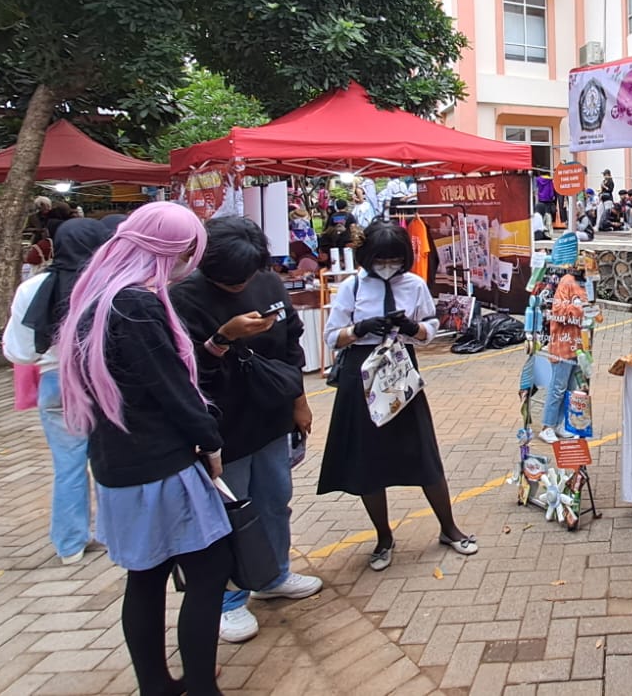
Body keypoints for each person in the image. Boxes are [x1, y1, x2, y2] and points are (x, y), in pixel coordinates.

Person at [56, 202, 230, 696]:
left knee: (147, 575)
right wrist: (210, 440)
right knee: (209, 571)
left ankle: (156, 683)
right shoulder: (134, 304)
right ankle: (201, 686)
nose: (186, 266)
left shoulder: (94, 297)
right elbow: (170, 388)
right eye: (185, 255)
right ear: (165, 251)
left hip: (118, 463)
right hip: (160, 466)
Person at [173, 217, 323, 644]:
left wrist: (299, 401)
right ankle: (228, 600)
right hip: (223, 427)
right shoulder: (182, 299)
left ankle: (273, 575)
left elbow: (291, 344)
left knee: (275, 501)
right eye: (231, 279)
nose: (240, 285)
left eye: (246, 276)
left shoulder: (268, 282)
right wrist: (222, 338)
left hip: (270, 417)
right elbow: (186, 374)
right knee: (230, 515)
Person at [317, 221, 477, 570]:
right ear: (366, 257)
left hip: (400, 371)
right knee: (368, 459)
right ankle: (383, 538)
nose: (387, 266)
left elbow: (430, 329)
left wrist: (412, 328)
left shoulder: (414, 284)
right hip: (361, 375)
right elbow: (332, 336)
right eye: (380, 260)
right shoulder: (353, 287)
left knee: (423, 452)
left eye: (394, 260)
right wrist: (359, 329)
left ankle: (449, 528)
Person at [3, 218, 112, 564]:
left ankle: (70, 544)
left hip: (54, 381)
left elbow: (19, 352)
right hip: (102, 380)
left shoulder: (31, 289)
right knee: (109, 459)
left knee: (68, 465)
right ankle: (113, 532)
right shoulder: (108, 285)